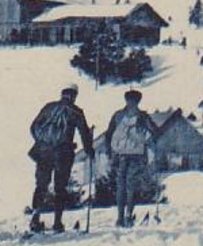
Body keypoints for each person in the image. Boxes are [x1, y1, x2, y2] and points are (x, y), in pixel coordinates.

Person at [28, 84, 94, 233]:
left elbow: (33, 127)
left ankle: (35, 218)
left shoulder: (49, 107)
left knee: (41, 186)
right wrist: (89, 151)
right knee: (60, 187)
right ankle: (57, 223)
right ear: (74, 96)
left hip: (43, 152)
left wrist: (42, 142)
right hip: (63, 153)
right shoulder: (76, 112)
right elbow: (84, 133)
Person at [103, 89, 156, 227]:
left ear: (125, 100)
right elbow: (154, 133)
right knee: (131, 185)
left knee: (121, 186)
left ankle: (120, 218)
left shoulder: (118, 115)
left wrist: (109, 153)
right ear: (139, 101)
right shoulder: (143, 116)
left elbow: (108, 135)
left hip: (120, 155)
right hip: (137, 155)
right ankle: (128, 216)